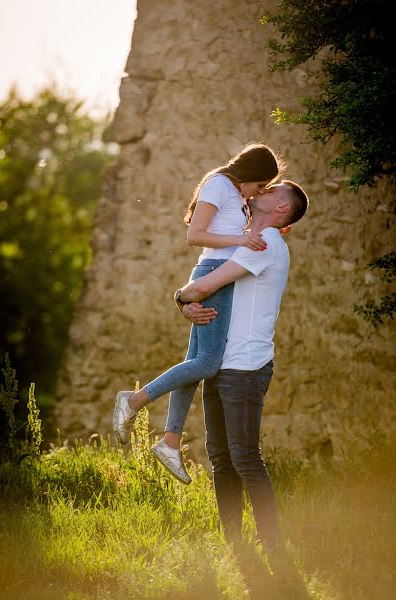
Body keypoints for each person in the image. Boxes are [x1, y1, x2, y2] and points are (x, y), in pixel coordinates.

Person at [113, 142, 284, 482]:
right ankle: (132, 401)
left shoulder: (235, 194)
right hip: (211, 273)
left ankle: (170, 442)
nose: (260, 192)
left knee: (194, 361)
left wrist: (257, 230)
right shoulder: (218, 184)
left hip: (220, 274)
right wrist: (243, 239)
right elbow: (195, 235)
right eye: (261, 184)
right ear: (250, 174)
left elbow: (237, 231)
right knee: (207, 363)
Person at [174, 180, 309, 548]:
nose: (262, 189)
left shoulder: (265, 244)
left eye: (272, 190)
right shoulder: (246, 244)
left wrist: (181, 297)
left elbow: (201, 287)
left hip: (245, 367)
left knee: (245, 458)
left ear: (282, 208)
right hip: (221, 363)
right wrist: (190, 304)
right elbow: (208, 291)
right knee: (220, 458)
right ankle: (234, 543)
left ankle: (273, 547)